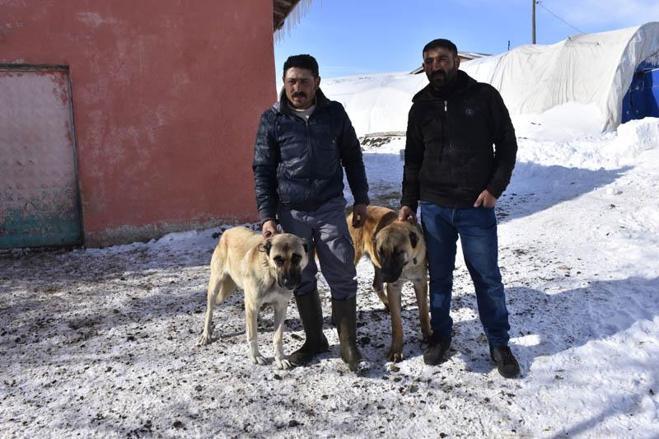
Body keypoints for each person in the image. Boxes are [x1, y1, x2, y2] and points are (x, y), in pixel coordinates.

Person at [398, 39, 520, 378]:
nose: (435, 66)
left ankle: (499, 343)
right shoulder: (420, 106)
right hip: (434, 208)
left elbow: (507, 145)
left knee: (487, 277)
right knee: (439, 277)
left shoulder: (483, 97)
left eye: (442, 59)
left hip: (475, 206)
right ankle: (440, 336)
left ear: (456, 61)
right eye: (429, 61)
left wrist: (494, 188)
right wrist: (408, 201)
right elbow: (413, 158)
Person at [252, 54, 369, 372]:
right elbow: (262, 168)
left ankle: (348, 345)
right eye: (291, 81)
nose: (297, 87)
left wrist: (361, 199)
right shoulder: (273, 119)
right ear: (284, 83)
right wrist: (267, 216)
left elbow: (352, 157)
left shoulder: (334, 113)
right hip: (291, 213)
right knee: (299, 277)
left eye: (304, 81)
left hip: (330, 207)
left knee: (343, 272)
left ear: (317, 81)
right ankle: (315, 339)